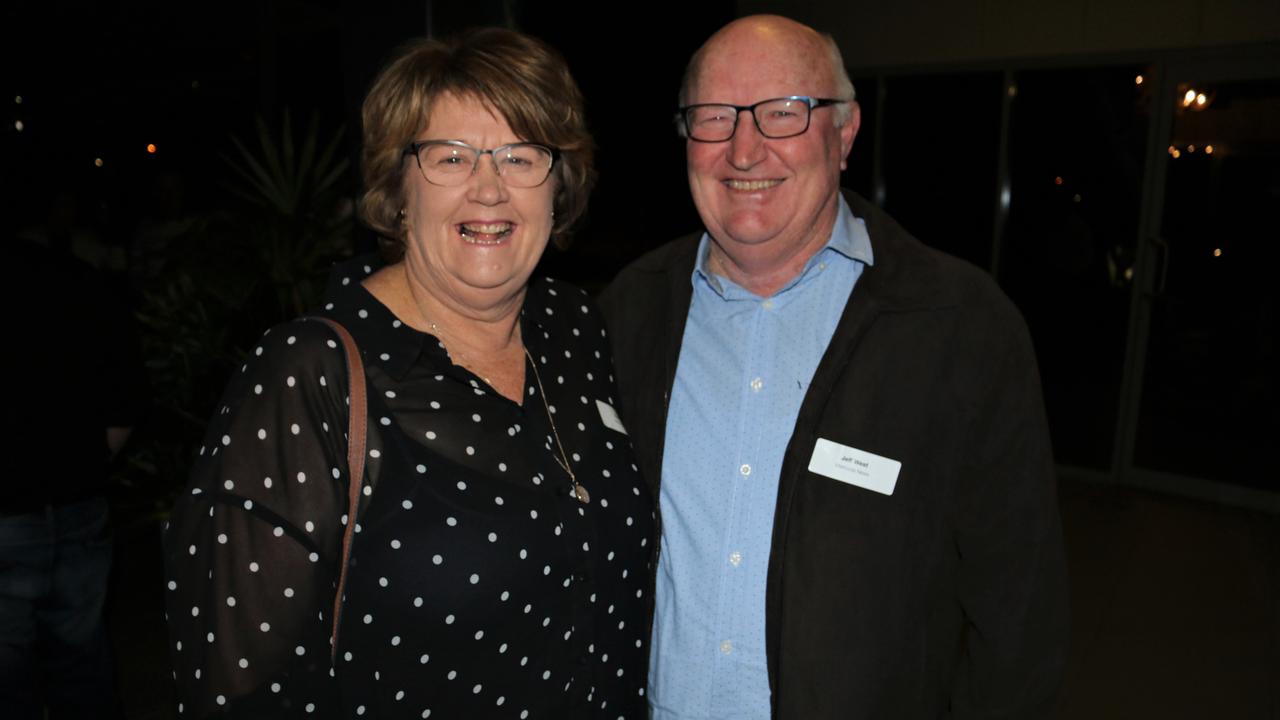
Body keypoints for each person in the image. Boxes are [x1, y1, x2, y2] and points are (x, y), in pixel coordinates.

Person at [165, 28, 653, 719]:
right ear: (399, 188)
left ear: (559, 185)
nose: (489, 189)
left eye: (521, 156)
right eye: (450, 157)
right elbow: (238, 692)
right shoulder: (311, 375)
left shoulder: (576, 331)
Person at [599, 14, 1069, 719]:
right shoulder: (627, 311)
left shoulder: (960, 325)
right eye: (714, 117)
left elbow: (1019, 613)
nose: (744, 150)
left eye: (784, 113)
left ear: (844, 134)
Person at [2, 232, 145, 720]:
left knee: (9, 678)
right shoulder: (84, 283)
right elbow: (125, 403)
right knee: (81, 664)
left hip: (13, 511)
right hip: (79, 499)